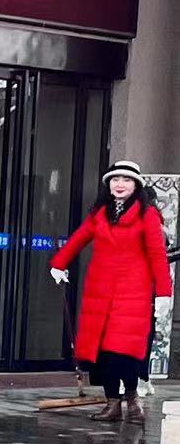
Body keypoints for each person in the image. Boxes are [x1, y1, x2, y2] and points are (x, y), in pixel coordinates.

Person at [50, 159, 173, 424]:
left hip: (133, 293)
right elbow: (78, 239)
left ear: (136, 185)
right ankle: (112, 404)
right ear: (108, 184)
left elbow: (157, 255)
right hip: (100, 291)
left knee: (123, 353)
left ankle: (131, 400)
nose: (120, 185)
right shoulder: (100, 213)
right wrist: (58, 264)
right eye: (115, 180)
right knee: (102, 353)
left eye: (126, 180)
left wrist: (164, 293)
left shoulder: (147, 214)